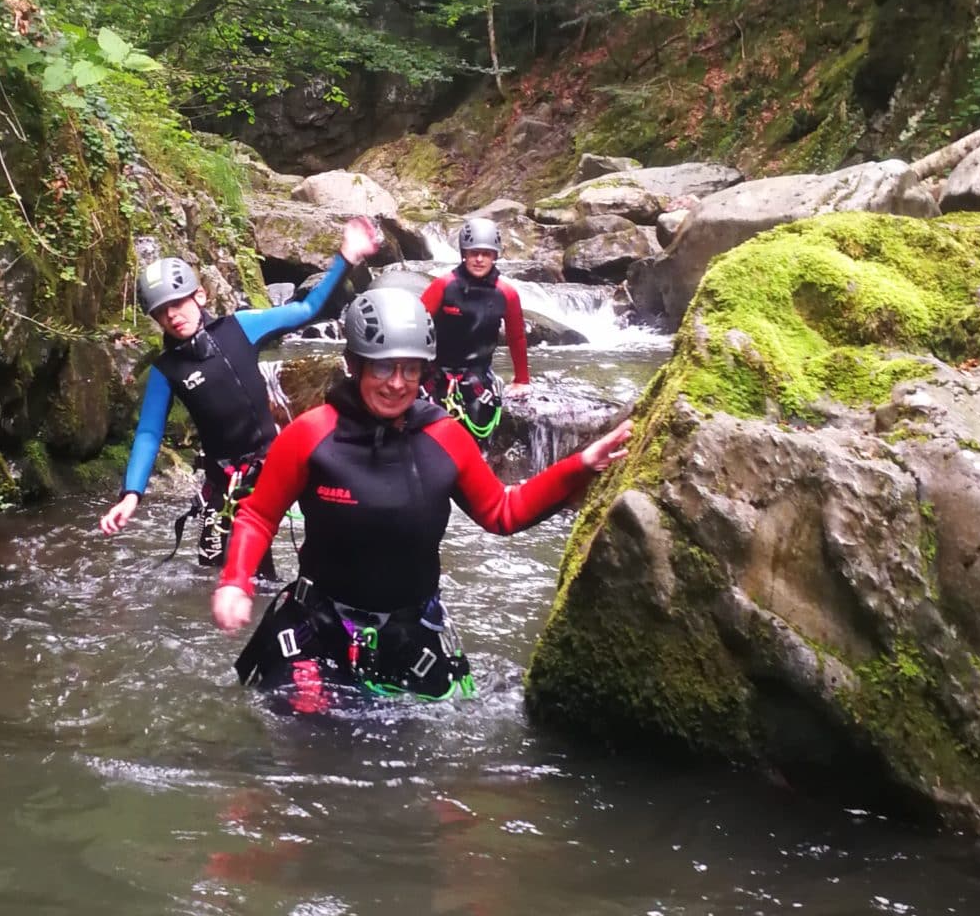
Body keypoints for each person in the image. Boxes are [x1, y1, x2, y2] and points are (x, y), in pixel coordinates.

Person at [210, 283, 629, 704]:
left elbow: (502, 512)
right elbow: (259, 515)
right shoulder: (311, 434)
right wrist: (235, 581)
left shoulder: (444, 436)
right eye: (383, 368)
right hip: (319, 626)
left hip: (410, 634)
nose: (397, 384)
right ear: (354, 365)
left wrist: (580, 465)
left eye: (410, 370)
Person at [99, 215, 383, 567]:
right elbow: (148, 433)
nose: (171, 316)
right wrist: (131, 494)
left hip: (274, 466)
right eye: (161, 312)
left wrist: (346, 257)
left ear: (199, 295)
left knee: (326, 548)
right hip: (224, 482)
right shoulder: (166, 370)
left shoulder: (241, 327)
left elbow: (307, 309)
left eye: (177, 304)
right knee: (216, 570)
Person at [420, 213, 530, 440]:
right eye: (474, 253)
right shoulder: (443, 286)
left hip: (478, 376)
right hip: (437, 373)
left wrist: (521, 380)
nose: (479, 259)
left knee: (476, 429)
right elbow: (415, 326)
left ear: (495, 256)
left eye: (486, 254)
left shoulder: (506, 294)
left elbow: (516, 337)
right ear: (464, 254)